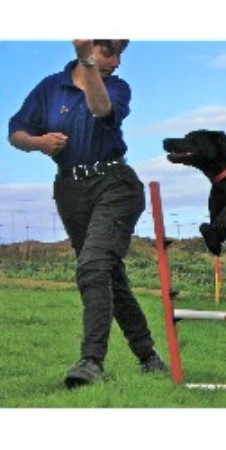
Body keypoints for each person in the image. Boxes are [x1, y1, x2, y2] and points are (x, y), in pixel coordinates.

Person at [8, 40, 167, 388]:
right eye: (109, 52)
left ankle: (91, 361)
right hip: (69, 190)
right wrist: (39, 143)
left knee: (94, 265)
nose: (117, 61)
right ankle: (148, 357)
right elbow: (15, 130)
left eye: (120, 54)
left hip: (115, 184)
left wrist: (90, 63)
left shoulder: (116, 87)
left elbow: (100, 110)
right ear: (93, 46)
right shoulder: (51, 87)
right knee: (108, 276)